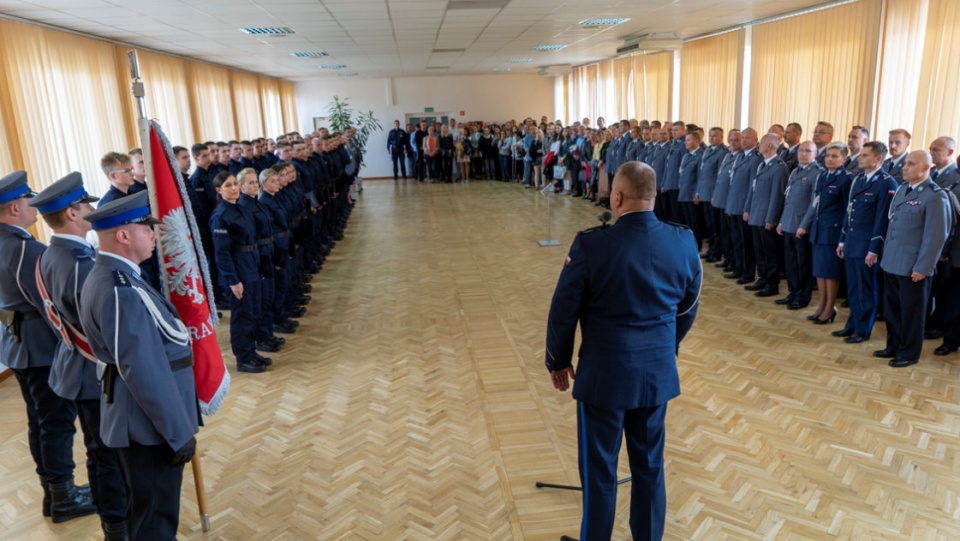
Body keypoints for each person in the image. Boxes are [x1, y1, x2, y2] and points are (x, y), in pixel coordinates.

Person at [546, 161, 701, 541]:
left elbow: (564, 309)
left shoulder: (591, 244)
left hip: (604, 376)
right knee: (649, 465)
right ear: (654, 195)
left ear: (616, 197)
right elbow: (689, 304)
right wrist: (667, 347)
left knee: (600, 470)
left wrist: (558, 360)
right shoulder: (682, 240)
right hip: (656, 374)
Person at [79, 191, 200, 541]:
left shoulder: (118, 276)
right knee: (156, 520)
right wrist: (177, 432)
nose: (154, 234)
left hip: (140, 421)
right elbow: (143, 371)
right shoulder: (120, 289)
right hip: (147, 427)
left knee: (147, 512)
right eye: (147, 227)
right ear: (123, 235)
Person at [28, 172, 129, 539]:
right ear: (72, 213)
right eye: (85, 204)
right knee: (109, 457)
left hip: (75, 366)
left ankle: (113, 521)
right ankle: (118, 525)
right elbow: (99, 326)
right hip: (94, 372)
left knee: (98, 452)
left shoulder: (50, 254)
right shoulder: (81, 264)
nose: (91, 208)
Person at [0, 170, 96, 523]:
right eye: (28, 199)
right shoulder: (25, 248)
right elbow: (48, 304)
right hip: (40, 348)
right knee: (56, 424)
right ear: (14, 207)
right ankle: (64, 496)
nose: (33, 205)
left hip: (17, 345)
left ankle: (54, 493)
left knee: (40, 421)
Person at [873, 151, 952, 367]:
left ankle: (908, 353)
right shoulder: (902, 189)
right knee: (892, 309)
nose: (904, 167)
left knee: (911, 314)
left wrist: (923, 267)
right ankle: (894, 345)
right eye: (905, 163)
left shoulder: (935, 195)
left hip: (913, 267)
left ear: (926, 168)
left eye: (911, 164)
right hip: (892, 262)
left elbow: (936, 236)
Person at [832, 141, 898, 344]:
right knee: (853, 287)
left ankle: (863, 329)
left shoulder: (886, 183)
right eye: (861, 155)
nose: (859, 158)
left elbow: (882, 220)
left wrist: (874, 249)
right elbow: (849, 213)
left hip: (867, 246)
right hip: (852, 242)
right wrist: (842, 241)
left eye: (865, 155)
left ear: (878, 158)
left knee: (866, 289)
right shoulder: (859, 179)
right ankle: (852, 324)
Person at [210, 171, 270, 373]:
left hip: (251, 266)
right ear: (219, 190)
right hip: (237, 272)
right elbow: (222, 253)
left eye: (235, 184)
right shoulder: (221, 216)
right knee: (242, 317)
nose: (234, 188)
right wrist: (232, 280)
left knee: (253, 313)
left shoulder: (242, 209)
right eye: (228, 185)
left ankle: (251, 352)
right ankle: (243, 359)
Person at [799, 142, 852, 324]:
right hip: (819, 230)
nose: (829, 159)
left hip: (833, 232)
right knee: (820, 272)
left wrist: (843, 237)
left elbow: (848, 210)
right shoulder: (822, 176)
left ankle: (830, 308)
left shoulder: (846, 179)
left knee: (830, 273)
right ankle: (821, 305)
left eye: (835, 156)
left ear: (844, 159)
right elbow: (816, 203)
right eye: (828, 155)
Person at [777, 141, 821, 309]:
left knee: (803, 263)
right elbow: (788, 199)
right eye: (801, 150)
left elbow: (813, 203)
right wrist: (781, 221)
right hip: (788, 223)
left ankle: (803, 296)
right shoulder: (795, 171)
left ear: (815, 154)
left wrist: (804, 225)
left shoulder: (817, 174)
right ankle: (793, 291)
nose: (803, 154)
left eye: (808, 151)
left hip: (802, 227)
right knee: (790, 262)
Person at [744, 133, 789, 297]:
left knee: (770, 252)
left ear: (769, 146)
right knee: (759, 250)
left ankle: (772, 283)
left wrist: (771, 219)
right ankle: (762, 278)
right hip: (756, 215)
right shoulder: (762, 165)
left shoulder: (779, 167)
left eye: (761, 142)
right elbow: (754, 189)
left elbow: (777, 196)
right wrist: (747, 209)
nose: (758, 145)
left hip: (767, 218)